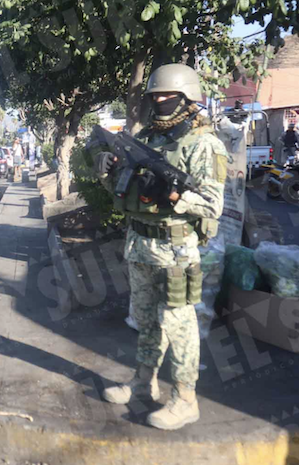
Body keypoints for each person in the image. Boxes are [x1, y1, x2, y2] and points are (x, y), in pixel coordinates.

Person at [93, 64, 228, 431]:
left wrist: (173, 193)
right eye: (155, 96)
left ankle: (186, 400)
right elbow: (125, 194)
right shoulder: (148, 139)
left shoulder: (205, 143)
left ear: (187, 98)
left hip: (176, 250)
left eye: (168, 96)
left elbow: (213, 204)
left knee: (179, 325)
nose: (160, 101)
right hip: (140, 245)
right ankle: (143, 383)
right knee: (146, 321)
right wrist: (108, 172)